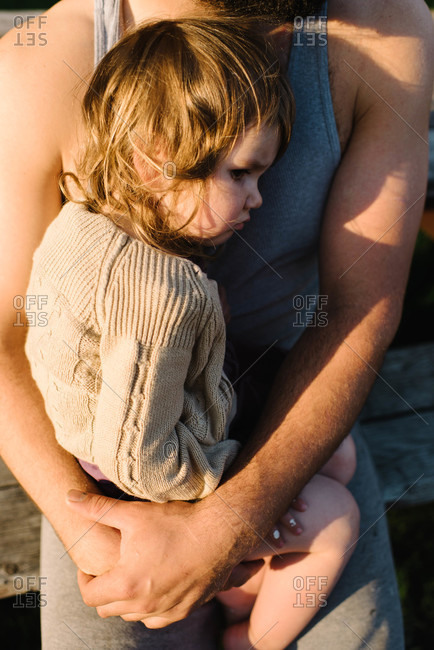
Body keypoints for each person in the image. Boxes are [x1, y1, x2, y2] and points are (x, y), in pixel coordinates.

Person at [0, 0, 432, 648]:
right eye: (242, 174)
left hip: (290, 424)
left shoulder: (383, 26)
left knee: (335, 492)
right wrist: (91, 527)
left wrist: (228, 522)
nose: (255, 196)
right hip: (109, 485)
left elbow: (356, 307)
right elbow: (6, 334)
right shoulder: (45, 60)